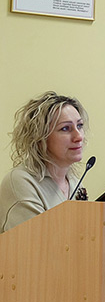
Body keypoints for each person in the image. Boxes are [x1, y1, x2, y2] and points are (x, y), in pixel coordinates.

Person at [0, 92, 89, 233]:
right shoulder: (20, 181)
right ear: (40, 138)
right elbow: (37, 242)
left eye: (79, 125)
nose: (78, 136)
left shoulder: (74, 183)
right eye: (65, 128)